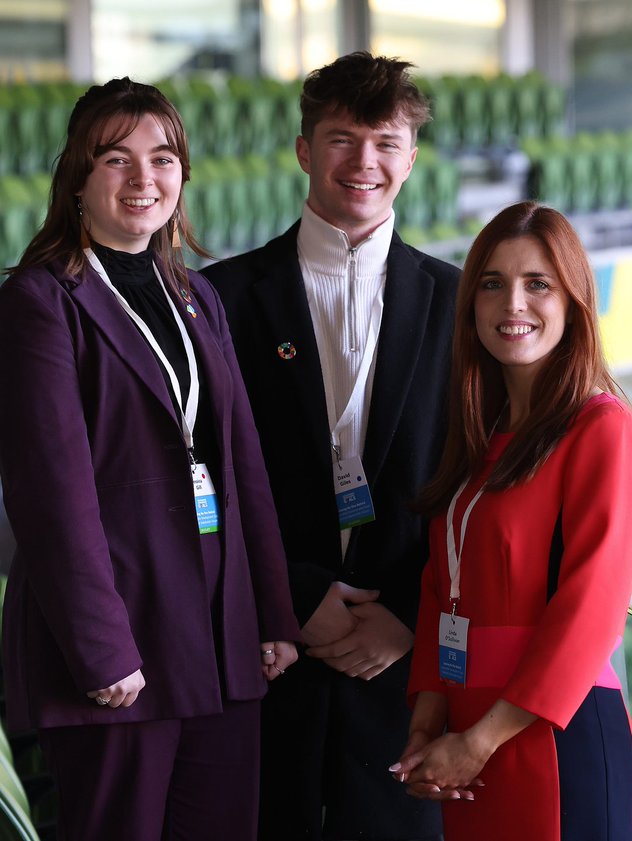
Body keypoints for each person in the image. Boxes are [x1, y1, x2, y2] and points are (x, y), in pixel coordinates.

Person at [0, 77, 299, 841]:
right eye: (115, 159)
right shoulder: (39, 303)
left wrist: (271, 614)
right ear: (78, 180)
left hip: (216, 638)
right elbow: (50, 496)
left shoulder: (193, 294)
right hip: (120, 653)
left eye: (162, 158)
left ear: (183, 173)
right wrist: (101, 649)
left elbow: (240, 462)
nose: (143, 178)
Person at [202, 52, 458, 840]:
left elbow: (480, 484)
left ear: (411, 159)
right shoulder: (221, 297)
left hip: (407, 679)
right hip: (265, 657)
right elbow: (200, 480)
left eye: (385, 142)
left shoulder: (460, 299)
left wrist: (414, 619)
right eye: (343, 139)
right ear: (305, 150)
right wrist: (289, 594)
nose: (365, 162)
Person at [390, 201, 632, 841]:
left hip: (550, 733)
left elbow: (592, 610)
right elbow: (441, 587)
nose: (513, 304)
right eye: (492, 284)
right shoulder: (485, 435)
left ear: (573, 301)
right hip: (466, 732)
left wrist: (479, 741)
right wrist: (430, 723)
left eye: (538, 284)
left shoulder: (602, 428)